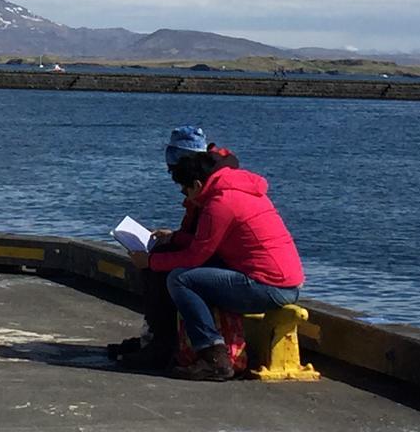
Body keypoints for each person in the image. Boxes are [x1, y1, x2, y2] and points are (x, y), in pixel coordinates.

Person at [128, 150, 304, 381]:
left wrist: (150, 261)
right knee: (186, 273)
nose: (186, 197)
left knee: (180, 279)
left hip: (268, 287)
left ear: (198, 184)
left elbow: (194, 257)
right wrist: (173, 238)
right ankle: (195, 348)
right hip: (285, 282)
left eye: (185, 190)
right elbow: (209, 242)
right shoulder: (240, 192)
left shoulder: (219, 204)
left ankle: (213, 356)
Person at [114, 126, 239, 370]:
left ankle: (164, 342)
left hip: (227, 261)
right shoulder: (215, 176)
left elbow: (199, 249)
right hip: (221, 253)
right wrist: (174, 237)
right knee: (162, 254)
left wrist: (152, 261)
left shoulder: (213, 191)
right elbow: (198, 231)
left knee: (167, 269)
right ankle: (154, 337)